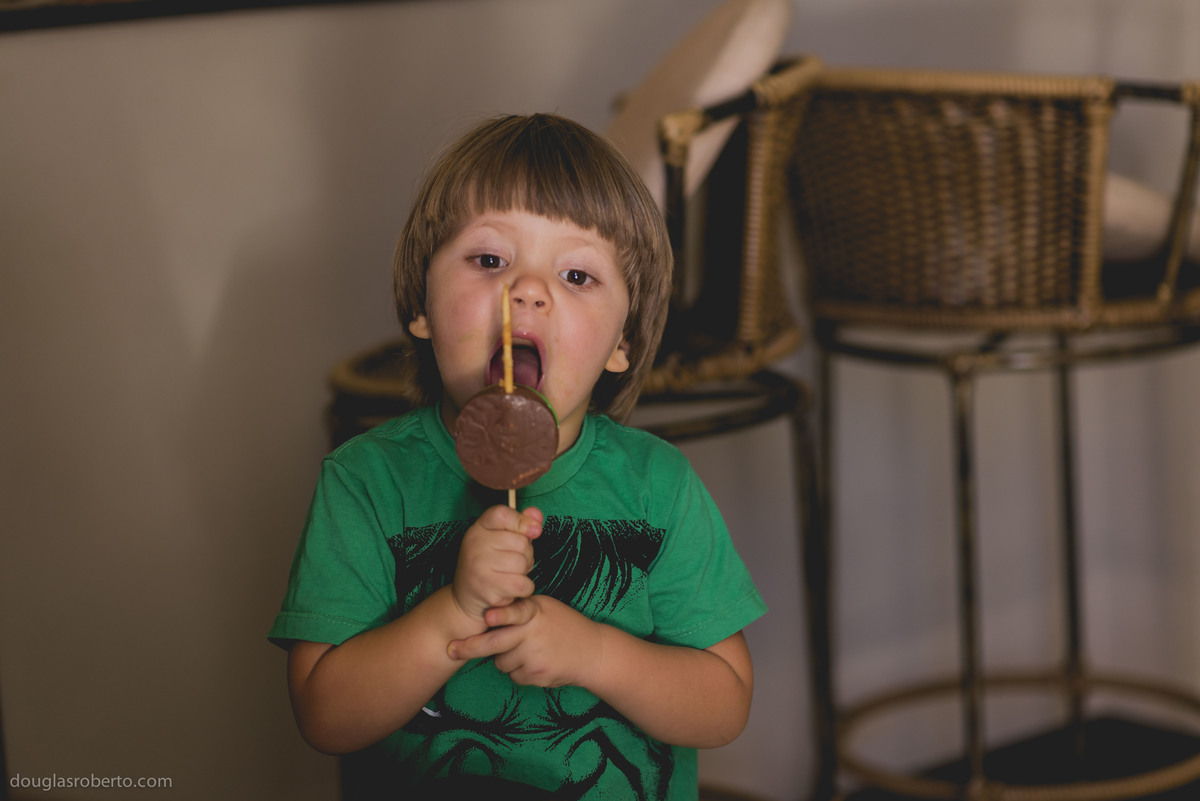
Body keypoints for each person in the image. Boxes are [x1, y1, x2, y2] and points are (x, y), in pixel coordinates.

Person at [269, 113, 767, 800]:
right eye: (490, 260)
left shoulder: (658, 485)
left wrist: (594, 654)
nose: (528, 291)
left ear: (623, 342)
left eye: (577, 274)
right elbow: (324, 714)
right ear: (421, 301)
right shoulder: (365, 481)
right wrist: (454, 609)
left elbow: (725, 703)